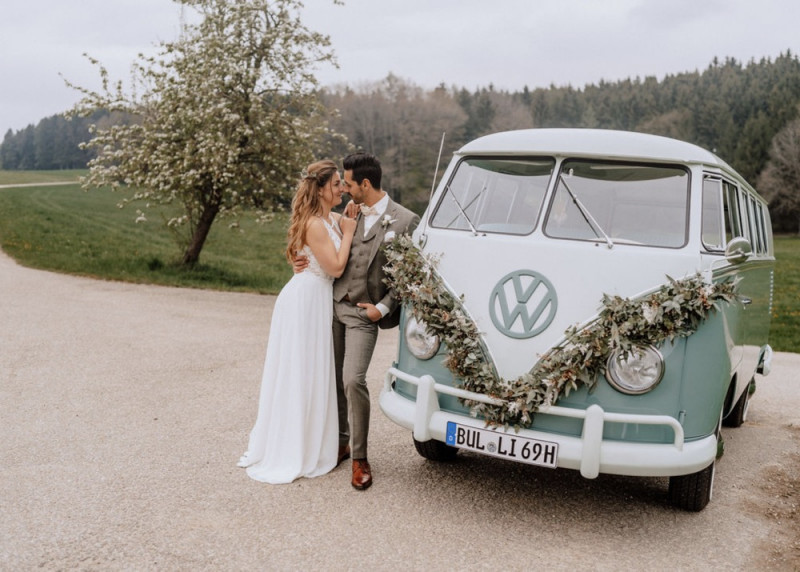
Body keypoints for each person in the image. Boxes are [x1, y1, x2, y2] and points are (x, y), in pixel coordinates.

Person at [298, 152, 419, 490]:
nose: (345, 189)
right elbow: (311, 238)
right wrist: (297, 260)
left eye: (348, 184)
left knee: (353, 379)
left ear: (365, 184)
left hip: (364, 314)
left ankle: (360, 458)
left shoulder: (405, 221)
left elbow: (410, 278)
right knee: (332, 379)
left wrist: (382, 307)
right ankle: (340, 442)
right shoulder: (345, 215)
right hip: (331, 305)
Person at [237, 159, 357, 484]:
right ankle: (295, 446)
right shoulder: (316, 224)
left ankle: (316, 439)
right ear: (320, 189)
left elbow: (327, 237)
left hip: (317, 299)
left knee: (313, 370)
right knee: (300, 370)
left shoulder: (327, 218)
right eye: (335, 184)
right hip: (305, 300)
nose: (341, 189)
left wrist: (346, 223)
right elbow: (334, 267)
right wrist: (348, 234)